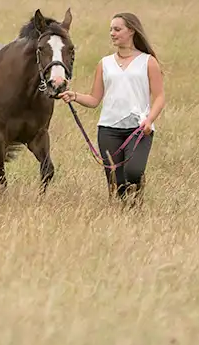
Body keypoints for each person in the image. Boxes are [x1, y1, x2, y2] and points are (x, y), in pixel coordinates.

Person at [59, 12, 166, 205]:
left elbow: (159, 97)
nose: (112, 33)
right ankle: (121, 214)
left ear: (131, 31)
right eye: (111, 30)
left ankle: (136, 203)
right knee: (115, 182)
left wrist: (149, 120)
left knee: (134, 171)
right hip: (108, 129)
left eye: (117, 29)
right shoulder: (104, 63)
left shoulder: (148, 61)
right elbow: (94, 99)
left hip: (139, 128)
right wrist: (74, 96)